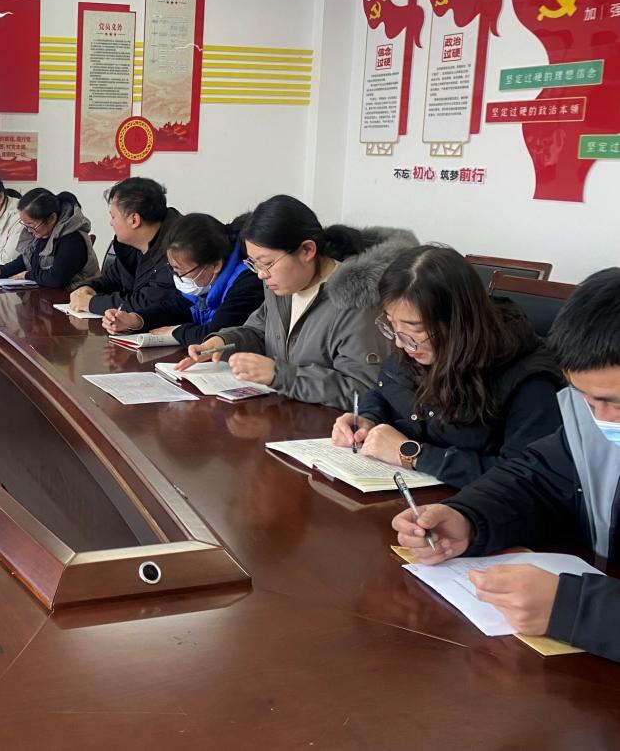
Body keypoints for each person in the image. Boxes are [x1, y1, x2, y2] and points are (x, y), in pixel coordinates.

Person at [392, 268, 620, 662]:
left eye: (613, 402)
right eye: (585, 396)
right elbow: (537, 477)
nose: (599, 417)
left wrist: (578, 610)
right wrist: (468, 518)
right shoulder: (592, 417)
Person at [330, 245, 562, 487]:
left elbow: (527, 477)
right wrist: (367, 419)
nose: (399, 341)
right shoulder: (418, 349)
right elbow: (386, 390)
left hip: (469, 504)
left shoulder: (529, 380)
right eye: (391, 322)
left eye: (416, 328)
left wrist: (412, 454)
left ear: (459, 320)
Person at [178, 194, 415, 409]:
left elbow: (364, 391)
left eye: (267, 263)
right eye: (254, 264)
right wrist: (222, 342)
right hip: (284, 414)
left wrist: (281, 376)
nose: (261, 274)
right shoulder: (282, 286)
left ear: (307, 250)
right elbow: (259, 331)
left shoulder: (355, 303)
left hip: (329, 430)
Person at [101, 212, 264, 345]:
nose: (177, 277)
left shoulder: (249, 281)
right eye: (172, 268)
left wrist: (176, 332)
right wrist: (135, 319)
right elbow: (177, 307)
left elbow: (216, 334)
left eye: (180, 271)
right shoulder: (207, 278)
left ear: (215, 266)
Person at [69, 177, 181, 314]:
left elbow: (148, 304)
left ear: (134, 220)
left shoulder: (177, 250)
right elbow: (111, 279)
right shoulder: (131, 245)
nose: (111, 223)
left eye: (113, 217)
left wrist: (92, 303)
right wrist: (89, 288)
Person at [0, 188, 99, 289]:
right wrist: (1, 270)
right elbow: (25, 259)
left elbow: (56, 278)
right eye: (25, 224)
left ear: (51, 218)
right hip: (49, 296)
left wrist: (27, 275)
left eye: (31, 225)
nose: (28, 230)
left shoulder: (72, 239)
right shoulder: (42, 232)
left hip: (75, 298)